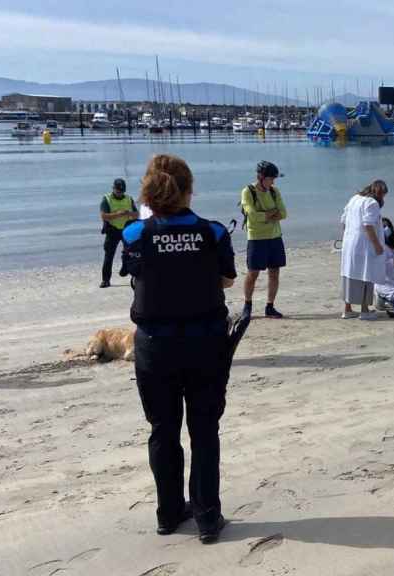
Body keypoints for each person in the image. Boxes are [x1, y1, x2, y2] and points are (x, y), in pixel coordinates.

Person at [120, 154, 237, 544]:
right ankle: (207, 516)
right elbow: (227, 280)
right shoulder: (213, 232)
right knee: (204, 430)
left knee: (163, 429)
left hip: (156, 346)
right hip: (205, 342)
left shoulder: (135, 233)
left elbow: (136, 272)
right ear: (189, 190)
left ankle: (169, 513)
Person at [241, 161, 287, 318]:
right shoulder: (248, 192)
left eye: (274, 179)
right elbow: (252, 216)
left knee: (274, 273)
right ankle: (247, 305)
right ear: (260, 177)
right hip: (256, 238)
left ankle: (270, 306)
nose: (273, 182)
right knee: (253, 273)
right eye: (270, 179)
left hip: (275, 237)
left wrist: (264, 215)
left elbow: (284, 213)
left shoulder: (274, 191)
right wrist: (272, 213)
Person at [340, 180, 388, 320]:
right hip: (364, 244)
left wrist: (346, 238)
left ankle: (347, 309)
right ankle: (365, 310)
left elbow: (343, 220)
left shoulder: (354, 198)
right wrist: (377, 245)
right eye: (383, 195)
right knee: (367, 274)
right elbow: (368, 225)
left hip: (350, 242)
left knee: (349, 273)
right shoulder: (372, 203)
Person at [99, 178, 138, 288]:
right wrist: (118, 214)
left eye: (122, 191)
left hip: (127, 230)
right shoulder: (107, 199)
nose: (120, 193)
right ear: (113, 188)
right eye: (118, 191)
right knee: (109, 255)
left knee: (131, 252)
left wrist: (129, 213)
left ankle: (127, 270)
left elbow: (136, 215)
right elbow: (104, 216)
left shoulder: (129, 199)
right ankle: (105, 280)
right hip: (112, 230)